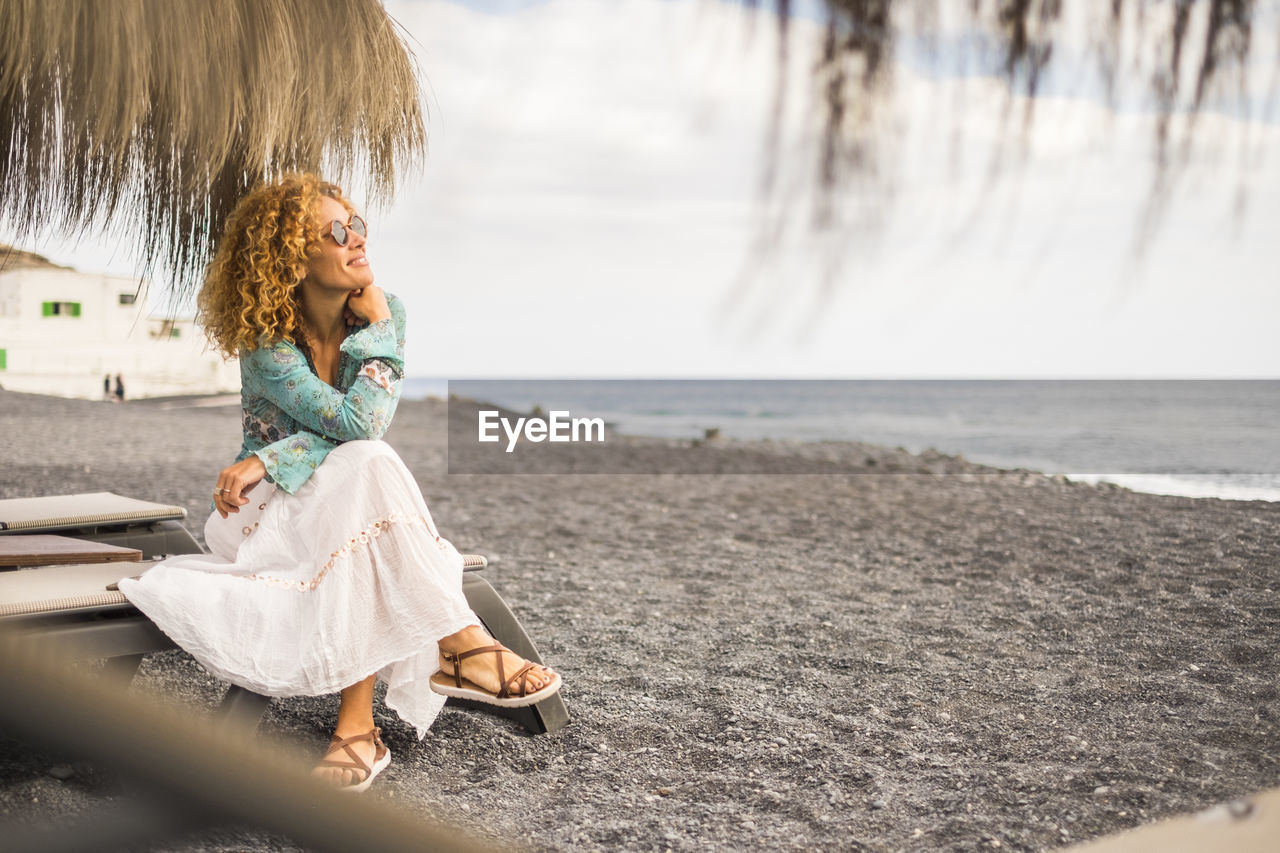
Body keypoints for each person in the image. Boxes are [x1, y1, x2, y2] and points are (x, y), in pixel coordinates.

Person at [120, 174, 560, 792]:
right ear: (290, 257)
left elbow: (363, 431)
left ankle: (357, 728)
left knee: (365, 475)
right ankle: (459, 646)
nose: (356, 239)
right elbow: (358, 423)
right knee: (368, 465)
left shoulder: (385, 313)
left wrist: (273, 455)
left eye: (358, 225)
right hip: (263, 514)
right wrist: (270, 468)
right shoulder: (266, 342)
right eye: (335, 230)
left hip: (332, 497)